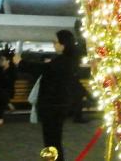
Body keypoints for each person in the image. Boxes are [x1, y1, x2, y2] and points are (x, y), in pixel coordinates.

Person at [34, 29, 79, 161]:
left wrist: (20, 62)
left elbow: (42, 69)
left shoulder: (63, 61)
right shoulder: (68, 60)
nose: (53, 44)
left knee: (52, 140)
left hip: (53, 106)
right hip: (58, 105)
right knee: (54, 139)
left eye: (55, 42)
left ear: (63, 44)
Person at [0, 51, 21, 126]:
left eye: (2, 59)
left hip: (8, 91)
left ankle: (1, 118)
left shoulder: (12, 70)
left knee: (2, 95)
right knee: (1, 95)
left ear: (8, 61)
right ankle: (7, 105)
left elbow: (9, 82)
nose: (0, 61)